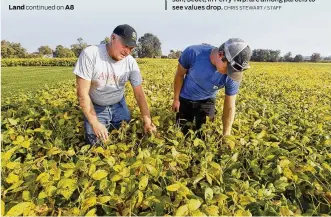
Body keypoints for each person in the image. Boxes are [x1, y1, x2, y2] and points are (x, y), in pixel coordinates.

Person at [73, 24, 156, 145]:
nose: (127, 51)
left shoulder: (131, 62)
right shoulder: (91, 55)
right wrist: (95, 123)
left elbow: (139, 94)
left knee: (125, 136)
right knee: (96, 144)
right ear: (112, 38)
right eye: (125, 45)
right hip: (96, 106)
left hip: (119, 104)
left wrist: (147, 120)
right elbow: (82, 93)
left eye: (131, 48)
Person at [172, 38, 252, 136]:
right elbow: (179, 75)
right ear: (220, 55)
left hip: (208, 99)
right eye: (228, 69)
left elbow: (230, 105)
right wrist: (176, 99)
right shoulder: (193, 53)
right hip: (186, 96)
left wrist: (226, 135)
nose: (229, 74)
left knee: (204, 133)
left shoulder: (233, 75)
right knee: (182, 131)